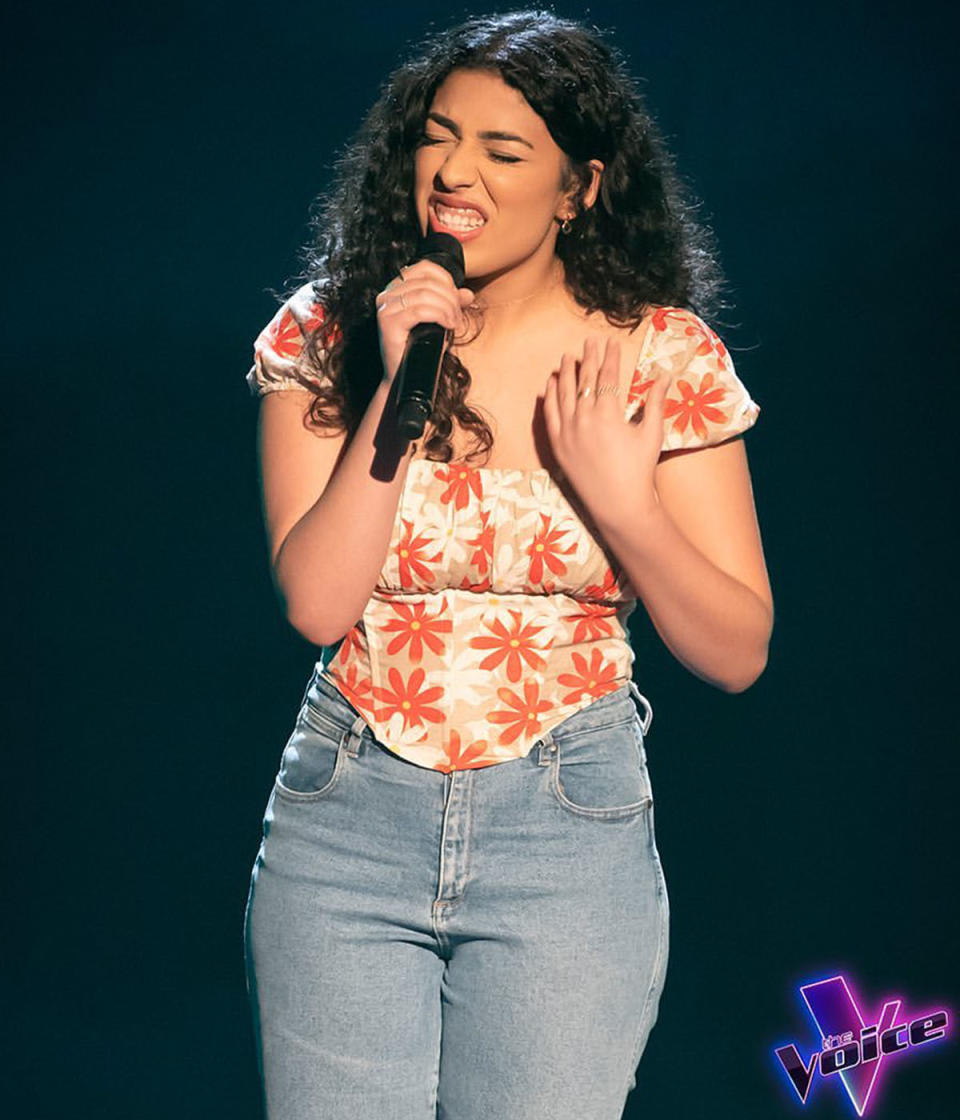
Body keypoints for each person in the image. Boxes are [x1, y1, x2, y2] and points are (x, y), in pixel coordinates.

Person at [243, 10, 773, 1119]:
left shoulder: (659, 354)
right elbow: (316, 600)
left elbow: (736, 651)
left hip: (565, 826)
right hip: (348, 812)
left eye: (503, 149)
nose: (456, 172)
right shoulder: (327, 334)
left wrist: (623, 498)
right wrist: (398, 381)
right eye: (439, 136)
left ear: (580, 187)